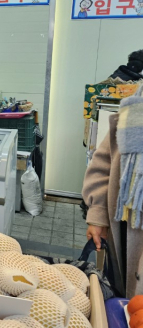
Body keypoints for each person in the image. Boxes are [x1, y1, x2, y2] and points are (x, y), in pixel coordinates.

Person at [83, 85, 143, 298]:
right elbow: (105, 161)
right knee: (125, 300)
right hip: (127, 226)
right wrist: (98, 213)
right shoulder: (136, 106)